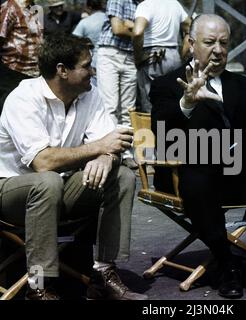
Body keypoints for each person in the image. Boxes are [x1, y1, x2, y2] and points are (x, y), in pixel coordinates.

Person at [150, 14, 246, 299]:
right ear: (191, 43)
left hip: (239, 171)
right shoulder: (168, 84)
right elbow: (162, 131)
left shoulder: (243, 85)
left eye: (224, 42)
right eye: (209, 42)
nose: (218, 50)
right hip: (193, 168)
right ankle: (227, 264)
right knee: (198, 179)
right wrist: (186, 103)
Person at [0, 33, 147, 301]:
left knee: (122, 176)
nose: (93, 71)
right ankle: (39, 285)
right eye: (87, 65)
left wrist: (106, 157)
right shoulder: (24, 98)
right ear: (62, 71)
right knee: (47, 181)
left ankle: (104, 271)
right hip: (10, 190)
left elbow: (109, 144)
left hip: (60, 187)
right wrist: (99, 148)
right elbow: (43, 162)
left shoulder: (90, 95)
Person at [96, 0, 138, 169]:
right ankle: (110, 151)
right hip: (110, 53)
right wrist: (138, 29)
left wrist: (131, 26)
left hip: (130, 56)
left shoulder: (141, 5)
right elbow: (117, 28)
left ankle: (126, 153)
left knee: (129, 109)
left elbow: (134, 30)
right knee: (110, 106)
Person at [132, 0, 191, 113]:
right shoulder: (174, 4)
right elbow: (190, 27)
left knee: (151, 104)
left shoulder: (146, 5)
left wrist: (137, 58)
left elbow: (137, 32)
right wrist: (183, 53)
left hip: (152, 58)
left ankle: (156, 130)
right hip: (174, 56)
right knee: (174, 100)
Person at [0, 0, 43, 110]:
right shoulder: (10, 8)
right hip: (14, 70)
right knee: (12, 110)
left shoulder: (37, 9)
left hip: (35, 71)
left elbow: (40, 36)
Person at [72, 0, 106, 85]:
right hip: (112, 56)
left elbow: (74, 39)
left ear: (89, 7)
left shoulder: (85, 22)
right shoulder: (108, 18)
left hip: (94, 59)